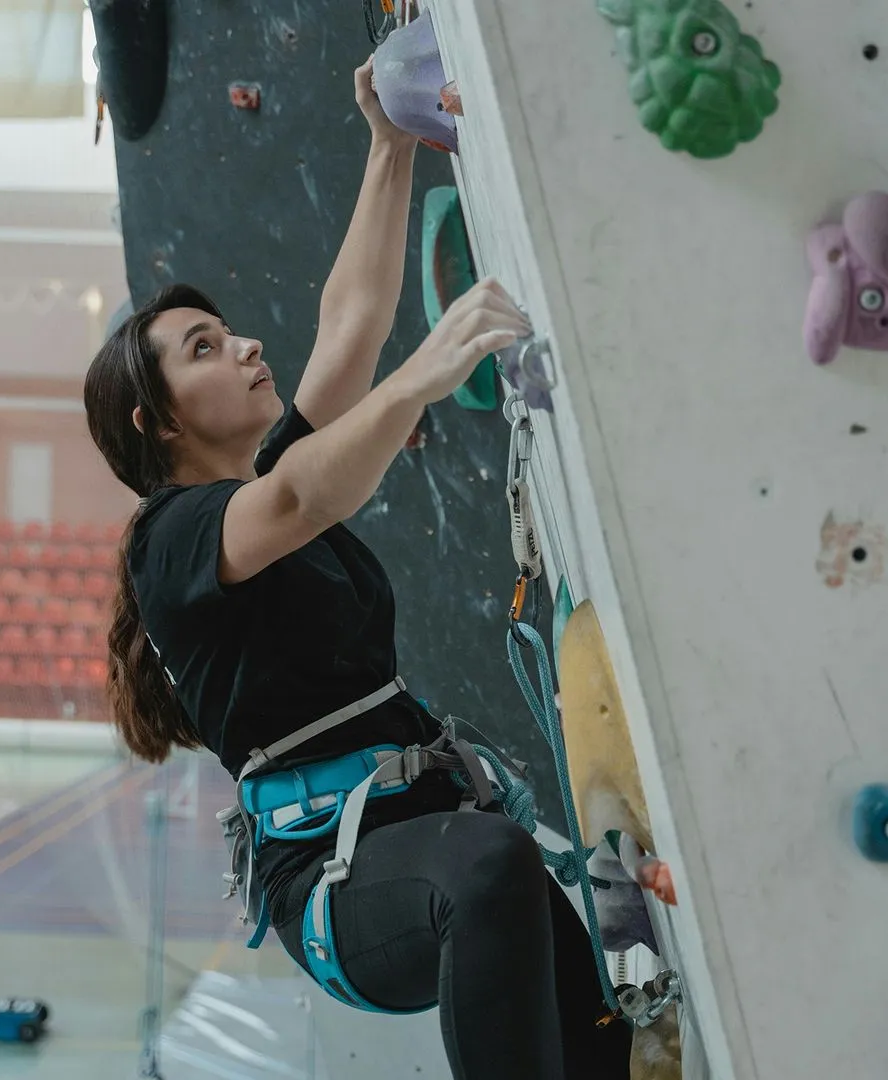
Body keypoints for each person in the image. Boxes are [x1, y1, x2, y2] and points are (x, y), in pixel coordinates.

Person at [85, 57, 632, 1080]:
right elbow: (305, 497)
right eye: (207, 349)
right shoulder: (171, 541)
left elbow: (351, 325)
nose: (247, 347)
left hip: (436, 841)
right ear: (156, 421)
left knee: (599, 1030)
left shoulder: (269, 487)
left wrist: (388, 146)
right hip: (339, 886)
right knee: (487, 864)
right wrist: (432, 371)